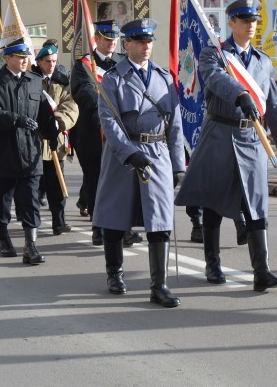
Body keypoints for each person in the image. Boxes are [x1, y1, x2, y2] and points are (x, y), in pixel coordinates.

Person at [176, 0, 277, 292]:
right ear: (231, 22)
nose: (250, 24)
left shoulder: (263, 60)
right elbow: (214, 79)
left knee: (256, 205)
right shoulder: (214, 54)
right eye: (243, 19)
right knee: (214, 202)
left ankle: (261, 271)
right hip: (221, 134)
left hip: (252, 138)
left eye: (253, 19)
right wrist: (240, 93)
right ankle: (212, 264)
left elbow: (273, 106)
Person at [92, 19, 184, 307]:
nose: (146, 47)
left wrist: (178, 163)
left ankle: (159, 285)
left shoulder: (164, 77)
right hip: (125, 154)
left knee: (160, 219)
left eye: (149, 41)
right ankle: (114, 273)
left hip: (156, 152)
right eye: (139, 42)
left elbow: (175, 123)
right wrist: (129, 153)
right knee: (116, 217)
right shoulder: (113, 78)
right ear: (126, 44)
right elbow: (108, 119)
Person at [0, 39, 59, 263]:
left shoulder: (34, 82)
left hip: (30, 154)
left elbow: (44, 114)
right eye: (20, 58)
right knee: (1, 201)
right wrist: (16, 120)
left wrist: (52, 136)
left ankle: (30, 246)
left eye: (27, 58)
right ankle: (4, 238)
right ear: (7, 58)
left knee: (30, 202)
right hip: (3, 152)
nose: (25, 61)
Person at [69, 20, 142, 248]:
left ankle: (124, 228)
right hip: (91, 131)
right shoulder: (83, 66)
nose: (111, 44)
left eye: (114, 40)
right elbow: (85, 95)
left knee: (121, 181)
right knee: (96, 180)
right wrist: (110, 107)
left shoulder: (122, 62)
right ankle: (98, 227)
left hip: (120, 131)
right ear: (97, 40)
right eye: (107, 39)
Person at [31, 43, 79, 235]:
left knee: (56, 185)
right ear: (39, 62)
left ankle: (59, 221)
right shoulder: (31, 81)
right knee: (34, 185)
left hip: (55, 140)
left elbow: (70, 106)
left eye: (54, 61)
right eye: (47, 61)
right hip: (34, 141)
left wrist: (58, 123)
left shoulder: (62, 81)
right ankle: (32, 223)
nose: (51, 65)